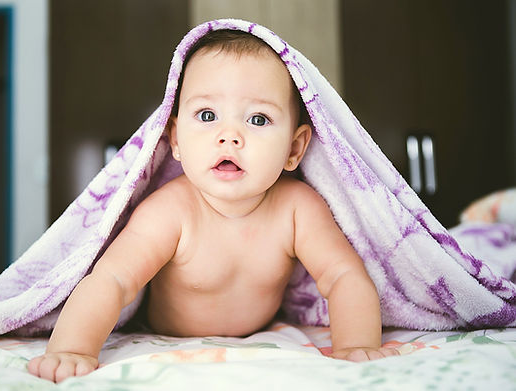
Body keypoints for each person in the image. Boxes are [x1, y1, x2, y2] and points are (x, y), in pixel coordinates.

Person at [28, 29, 399, 383]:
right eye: (207, 115)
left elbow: (343, 276)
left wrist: (356, 346)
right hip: (166, 333)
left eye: (258, 119)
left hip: (263, 332)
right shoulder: (170, 211)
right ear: (175, 139)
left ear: (294, 149)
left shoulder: (298, 209)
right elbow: (113, 280)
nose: (229, 136)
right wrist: (74, 349)